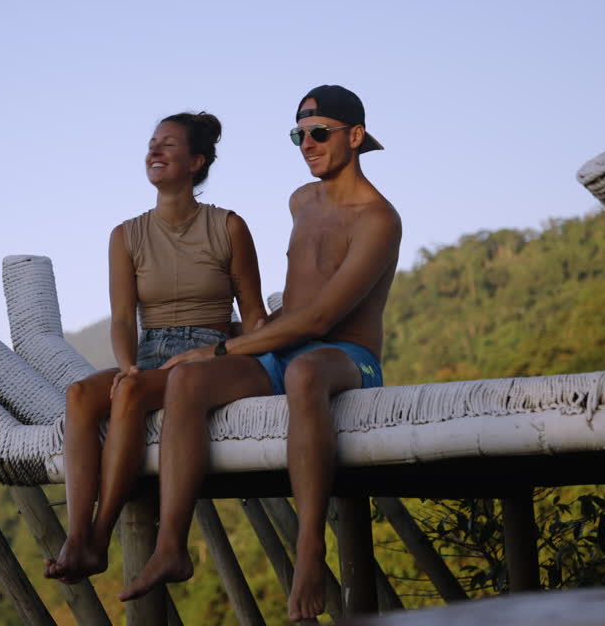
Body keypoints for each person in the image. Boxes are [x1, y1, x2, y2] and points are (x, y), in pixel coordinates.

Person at [118, 85, 401, 623]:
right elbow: (293, 305)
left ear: (355, 136)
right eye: (299, 135)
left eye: (319, 133)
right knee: (187, 383)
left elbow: (321, 319)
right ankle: (172, 546)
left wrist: (225, 346)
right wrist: (221, 344)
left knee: (305, 375)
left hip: (346, 355)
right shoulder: (302, 200)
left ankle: (310, 551)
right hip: (283, 348)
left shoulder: (378, 219)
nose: (307, 144)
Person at [43, 111, 267, 584]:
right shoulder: (126, 235)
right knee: (81, 395)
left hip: (204, 351)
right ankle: (77, 534)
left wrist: (238, 352)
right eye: (151, 143)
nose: (155, 150)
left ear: (196, 162)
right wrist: (126, 363)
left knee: (128, 393)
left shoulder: (228, 226)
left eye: (168, 144)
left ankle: (99, 539)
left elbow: (253, 319)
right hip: (148, 353)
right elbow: (123, 317)